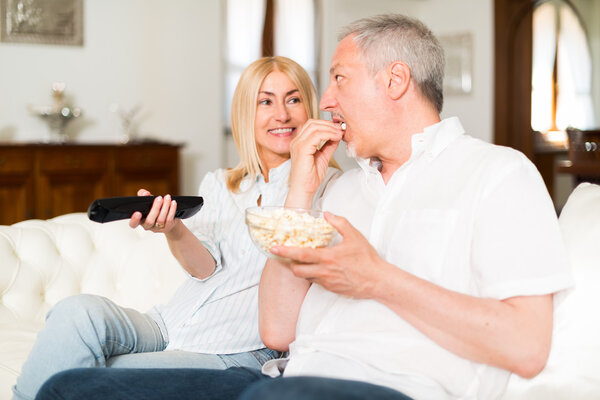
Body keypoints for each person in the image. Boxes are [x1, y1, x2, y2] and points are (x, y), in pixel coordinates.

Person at [35, 14, 573, 400]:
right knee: (68, 387)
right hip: (279, 377)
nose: (326, 102)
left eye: (338, 78)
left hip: (389, 387)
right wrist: (298, 192)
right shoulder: (339, 189)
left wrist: (377, 278)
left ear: (395, 80)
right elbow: (276, 330)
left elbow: (525, 346)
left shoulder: (496, 173)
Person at [14, 55, 340, 400]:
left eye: (294, 99)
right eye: (265, 101)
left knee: (88, 375)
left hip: (235, 350)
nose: (282, 115)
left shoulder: (325, 189)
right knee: (75, 313)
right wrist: (173, 228)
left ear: (310, 108)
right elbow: (205, 268)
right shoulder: (222, 184)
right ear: (247, 113)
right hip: (166, 324)